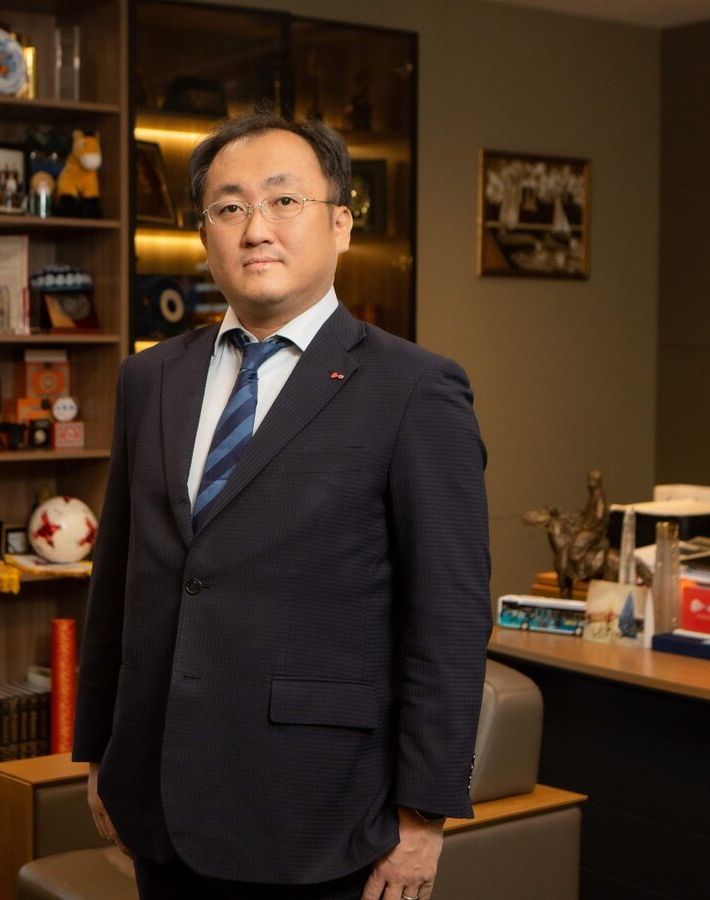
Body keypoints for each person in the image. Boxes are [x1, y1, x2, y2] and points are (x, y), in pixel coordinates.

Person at [72, 111, 491, 900]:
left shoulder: (414, 389)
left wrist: (425, 817)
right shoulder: (150, 378)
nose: (254, 228)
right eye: (229, 207)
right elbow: (119, 578)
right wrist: (100, 750)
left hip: (319, 812)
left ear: (340, 224)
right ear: (204, 236)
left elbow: (450, 617)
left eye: (282, 202)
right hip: (155, 793)